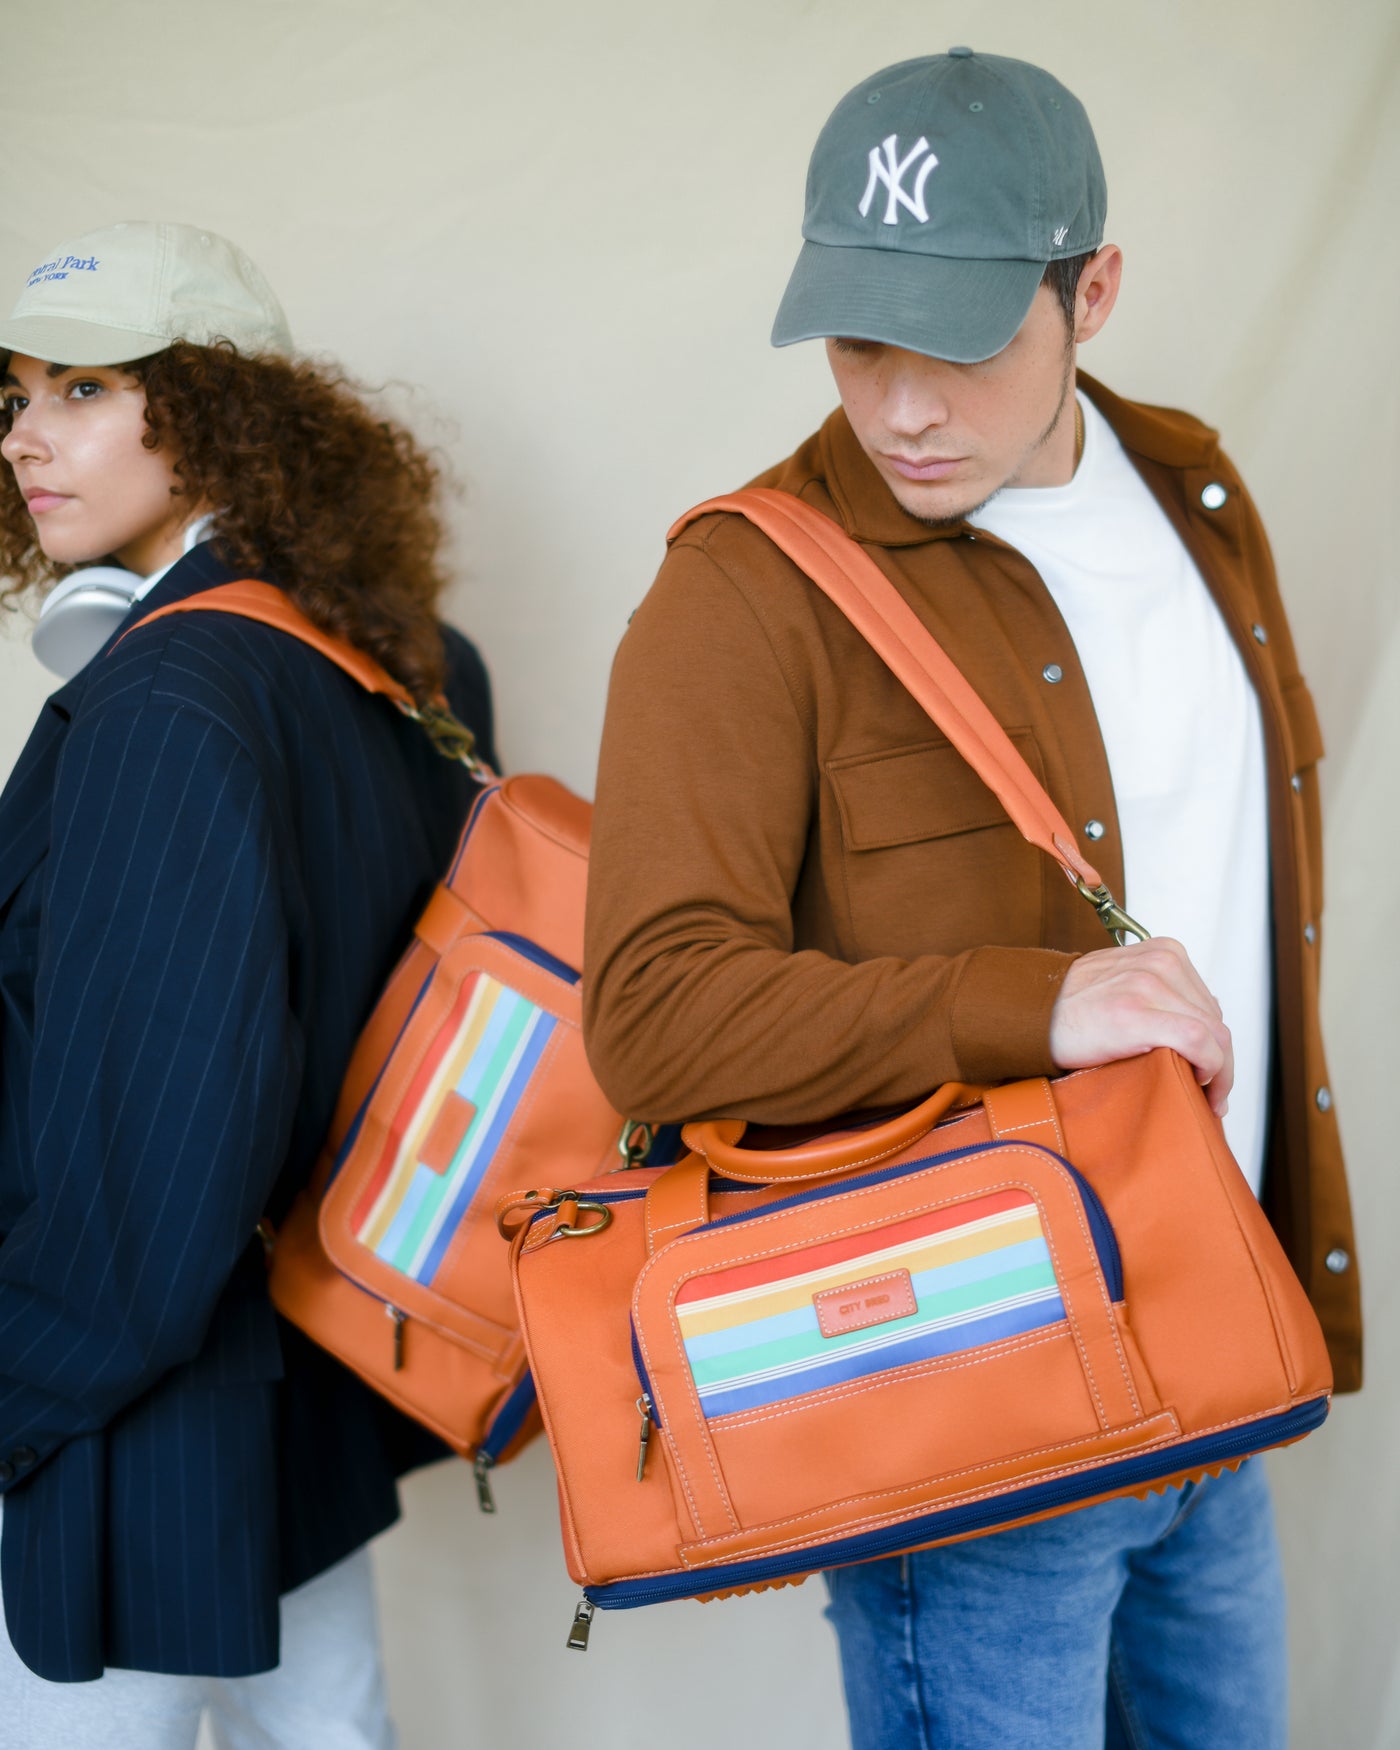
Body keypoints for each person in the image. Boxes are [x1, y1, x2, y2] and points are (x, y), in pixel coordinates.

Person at [583, 50, 1360, 1750]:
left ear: (1092, 290)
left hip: (1218, 1341)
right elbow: (651, 1017)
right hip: (982, 1407)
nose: (901, 406)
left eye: (957, 342)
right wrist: (1039, 1000)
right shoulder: (745, 594)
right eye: (860, 340)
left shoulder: (1195, 490)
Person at [0, 220, 496, 1747]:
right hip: (307, 1380)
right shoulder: (407, 657)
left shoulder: (166, 700)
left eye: (84, 387)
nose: (26, 436)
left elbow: (158, 1147)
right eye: (13, 395)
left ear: (218, 411)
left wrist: (19, 1393)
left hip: (126, 1422)